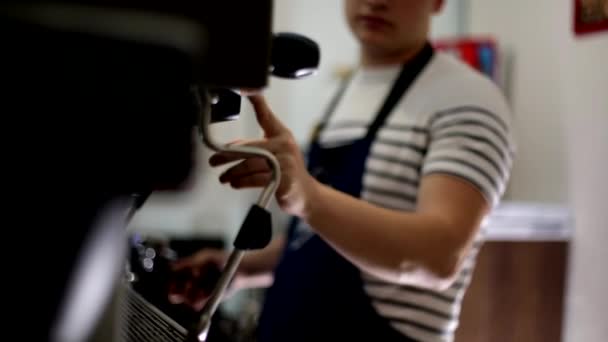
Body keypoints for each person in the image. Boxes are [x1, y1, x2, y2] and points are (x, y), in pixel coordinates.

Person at [169, 0, 515, 341]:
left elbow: (437, 257)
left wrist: (308, 195)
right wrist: (241, 269)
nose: (375, 2)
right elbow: (319, 238)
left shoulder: (467, 97)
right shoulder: (347, 91)